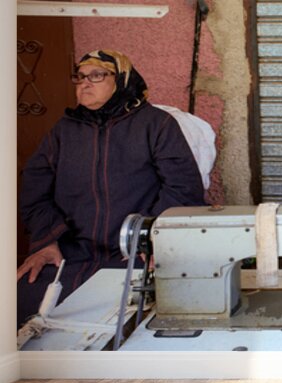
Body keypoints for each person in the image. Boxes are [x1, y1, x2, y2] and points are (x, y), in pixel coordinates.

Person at [16, 50, 206, 328]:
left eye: (97, 75)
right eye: (79, 76)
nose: (85, 83)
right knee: (26, 314)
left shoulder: (156, 125)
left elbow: (183, 188)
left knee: (135, 323)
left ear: (122, 80)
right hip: (72, 254)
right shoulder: (64, 131)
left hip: (134, 252)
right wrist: (47, 241)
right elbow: (34, 189)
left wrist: (154, 238)